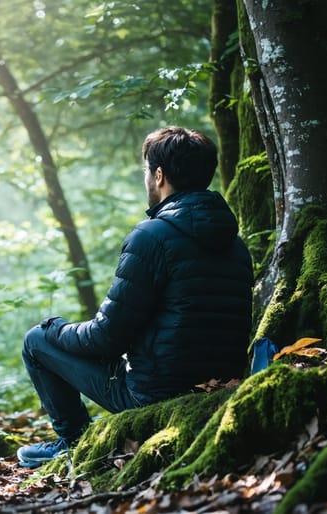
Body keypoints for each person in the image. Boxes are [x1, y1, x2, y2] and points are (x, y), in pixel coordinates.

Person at [16, 127, 253, 468]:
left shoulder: (152, 237)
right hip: (217, 390)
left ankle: (74, 443)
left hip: (153, 397)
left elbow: (105, 339)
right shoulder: (235, 245)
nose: (146, 179)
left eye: (146, 171)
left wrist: (56, 328)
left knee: (36, 341)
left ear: (159, 176)